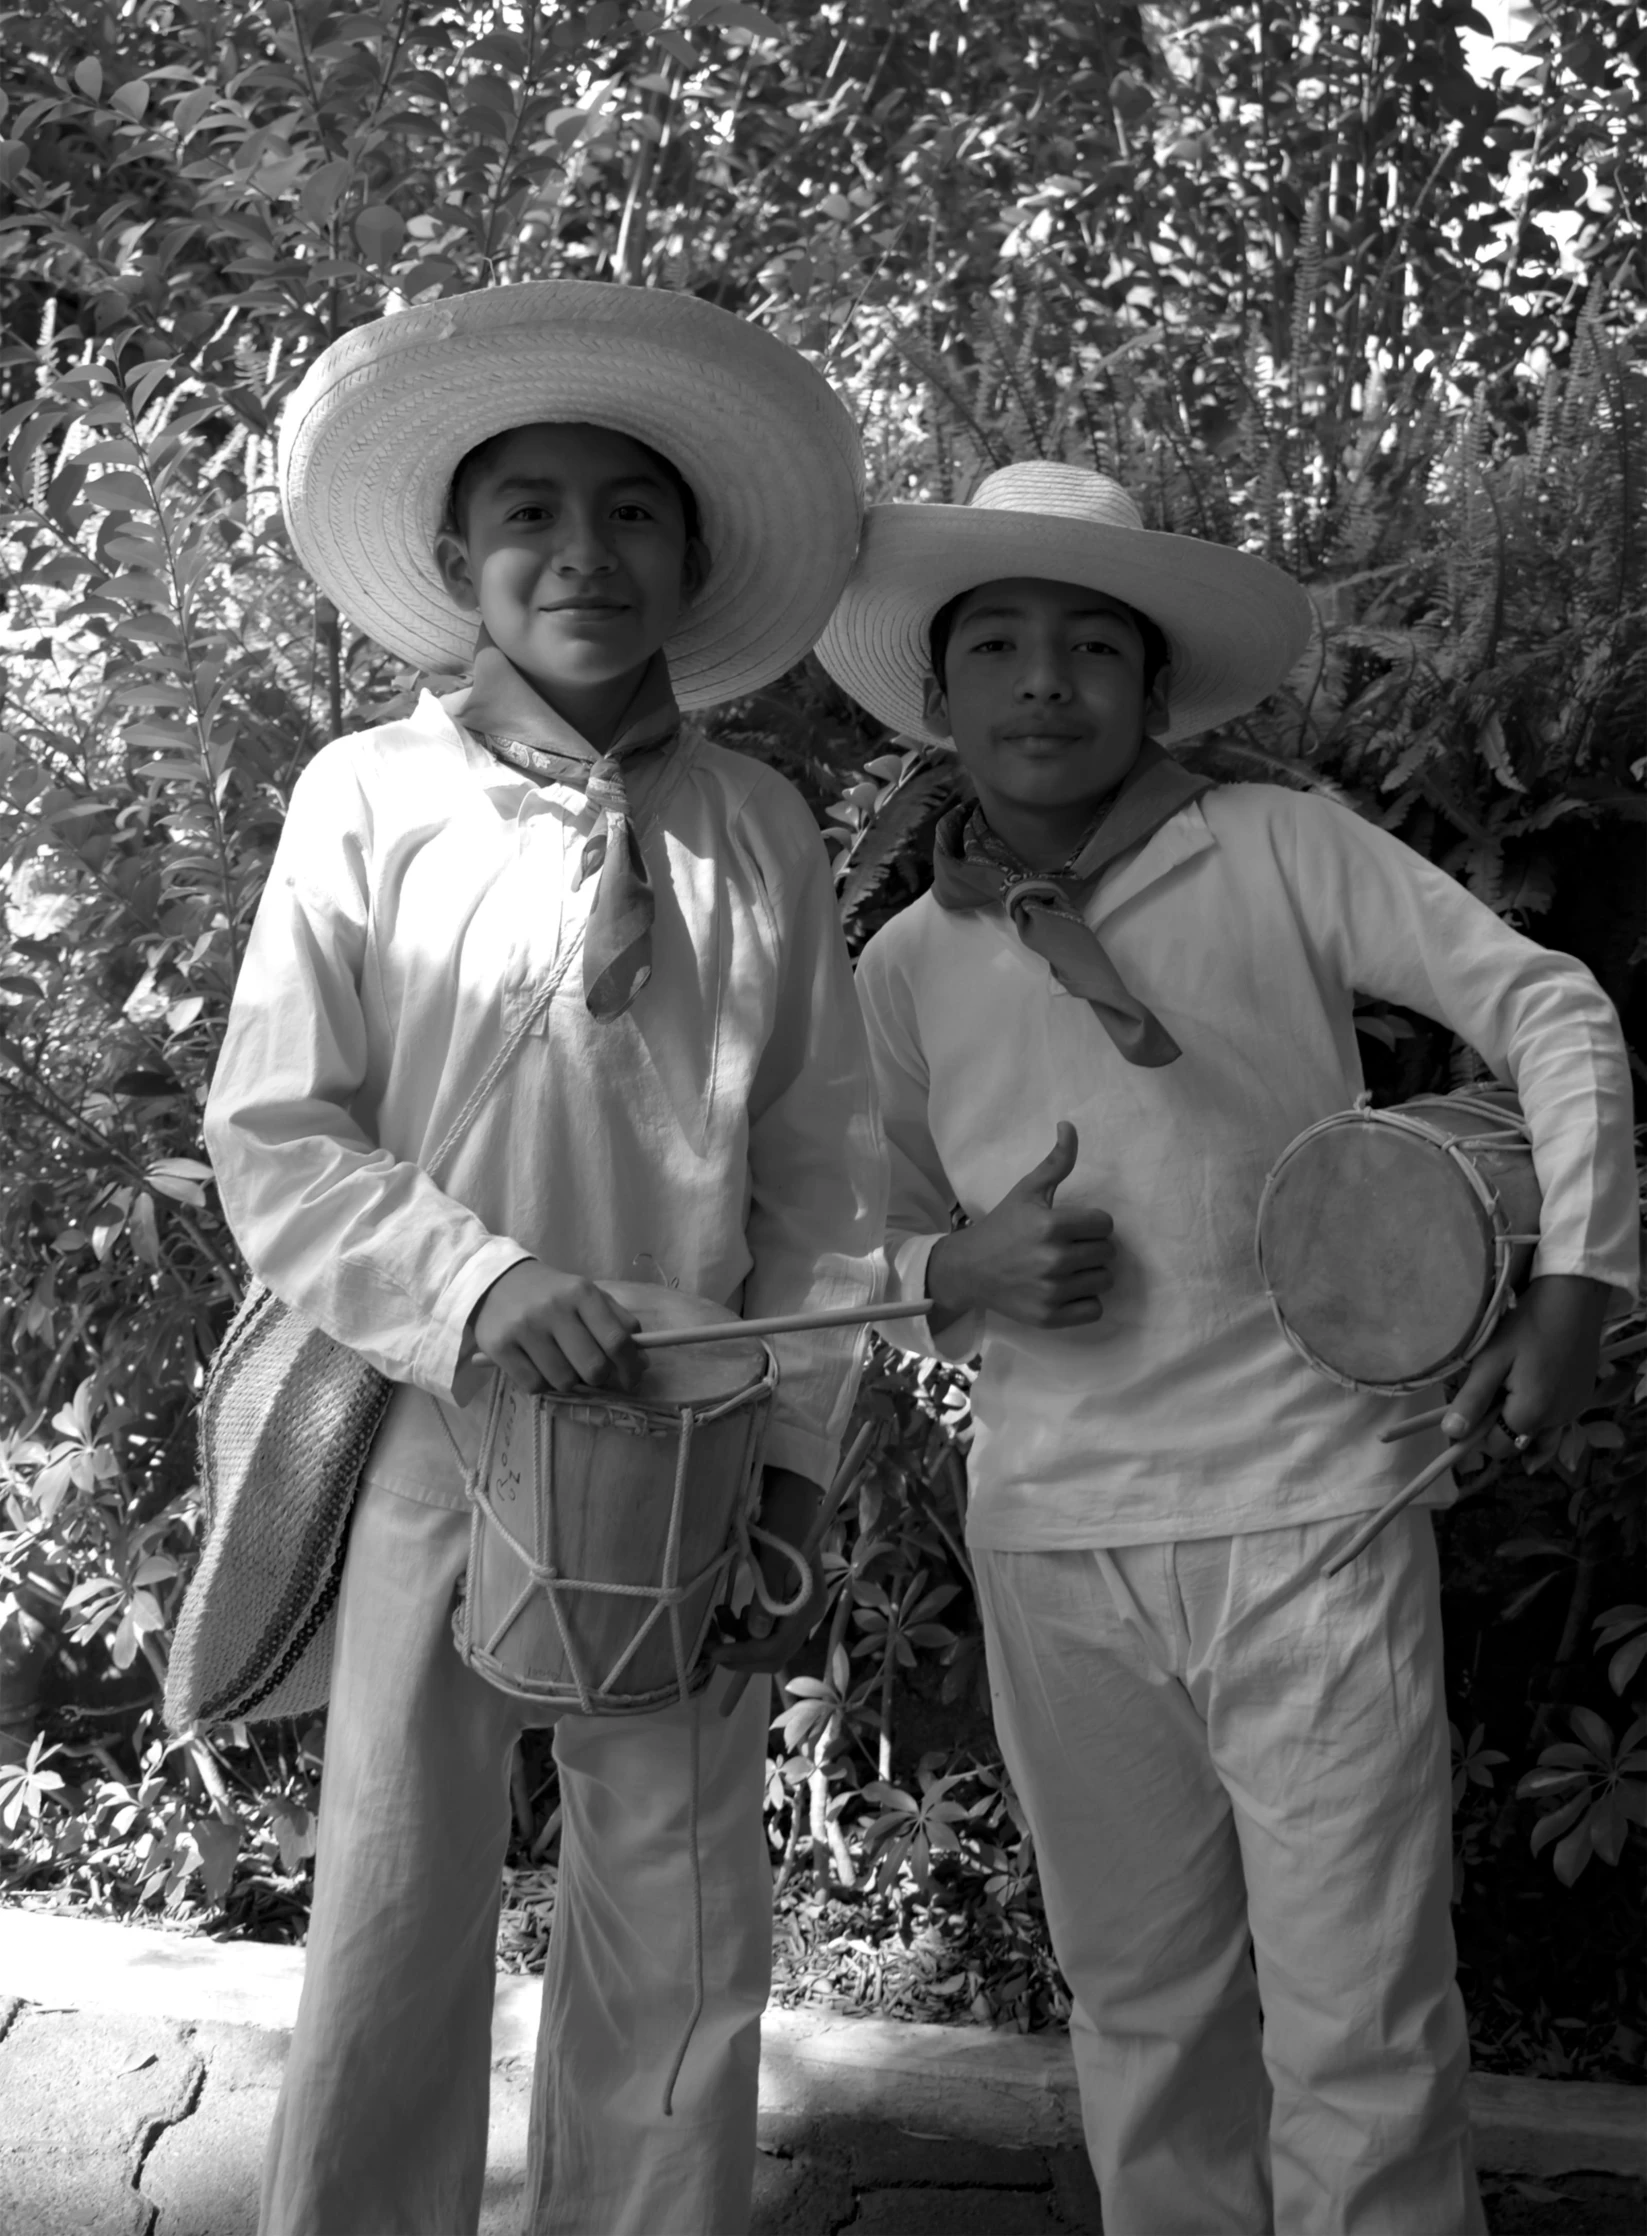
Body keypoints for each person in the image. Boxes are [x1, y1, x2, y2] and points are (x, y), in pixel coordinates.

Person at [817, 460, 1638, 2236]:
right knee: (1139, 2008)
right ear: (939, 696)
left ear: (1155, 687)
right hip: (1055, 1541)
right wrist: (955, 1262)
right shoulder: (901, 966)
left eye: (1092, 645)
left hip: (1312, 1516)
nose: (1046, 680)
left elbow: (1546, 1002)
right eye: (1003, 644)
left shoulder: (1273, 848)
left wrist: (1577, 1282)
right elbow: (846, 1244)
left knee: (1362, 2020)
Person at [203, 280, 883, 2236]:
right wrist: (483, 1281)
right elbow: (275, 1133)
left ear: (690, 555)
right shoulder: (366, 802)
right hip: (430, 1423)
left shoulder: (757, 827)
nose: (581, 551)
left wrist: (794, 1463)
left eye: (630, 511)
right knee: (396, 1889)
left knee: (676, 1921)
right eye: (529, 513)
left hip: (687, 1444)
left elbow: (824, 1179)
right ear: (455, 557)